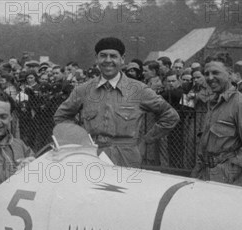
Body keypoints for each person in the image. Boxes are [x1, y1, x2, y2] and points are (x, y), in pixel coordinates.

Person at [54, 37, 179, 168]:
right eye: (103, 56)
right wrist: (80, 140)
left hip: (127, 159)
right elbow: (61, 116)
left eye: (113, 56)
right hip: (92, 157)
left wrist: (145, 141)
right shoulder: (83, 90)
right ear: (96, 58)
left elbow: (170, 116)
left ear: (122, 59)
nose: (108, 60)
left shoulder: (138, 90)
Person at [191, 54, 242, 186]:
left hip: (226, 181)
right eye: (206, 73)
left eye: (215, 73)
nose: (210, 78)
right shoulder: (214, 102)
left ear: (230, 74)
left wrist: (226, 174)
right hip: (204, 174)